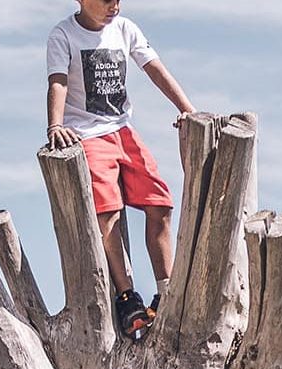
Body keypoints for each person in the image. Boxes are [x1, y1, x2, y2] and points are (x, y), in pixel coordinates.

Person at [44, 0, 197, 340]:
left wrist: (187, 109)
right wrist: (55, 125)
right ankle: (128, 295)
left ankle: (166, 290)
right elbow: (58, 82)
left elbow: (154, 68)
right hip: (87, 134)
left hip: (123, 130)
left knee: (160, 203)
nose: (114, 5)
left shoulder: (125, 29)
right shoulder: (63, 35)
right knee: (107, 215)